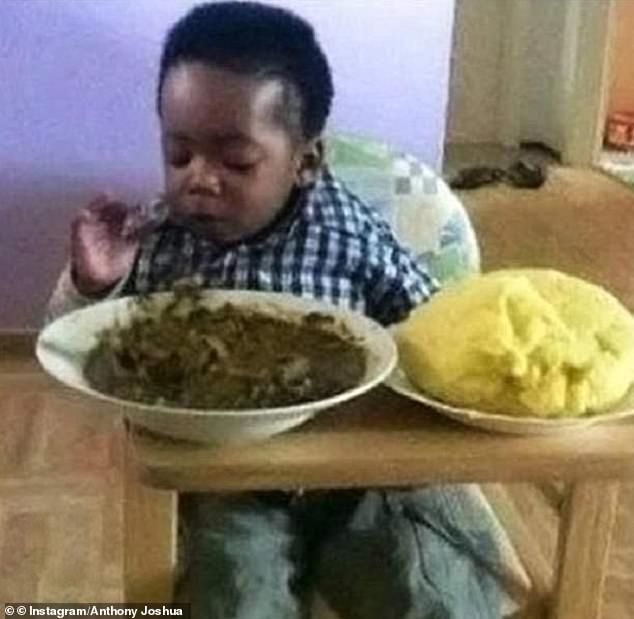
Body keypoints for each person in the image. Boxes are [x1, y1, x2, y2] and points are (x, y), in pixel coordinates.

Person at [47, 3, 518, 618]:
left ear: (306, 162)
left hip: (351, 468)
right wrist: (92, 279)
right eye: (179, 153)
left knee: (419, 585)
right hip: (221, 479)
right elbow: (70, 344)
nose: (199, 180)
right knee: (236, 588)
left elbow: (433, 325)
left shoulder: (346, 230)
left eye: (236, 162)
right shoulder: (154, 238)